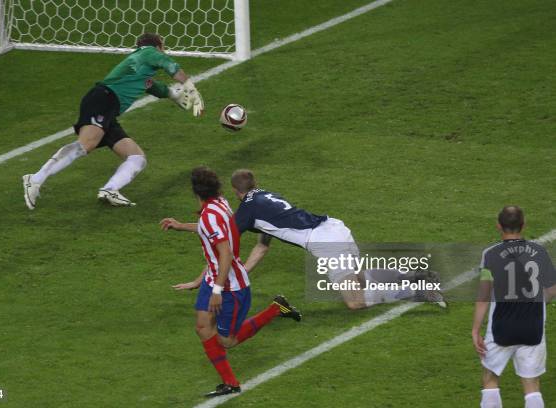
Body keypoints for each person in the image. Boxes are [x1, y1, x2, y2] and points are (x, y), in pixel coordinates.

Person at [174, 169, 445, 310]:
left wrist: (200, 279)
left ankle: (416, 289)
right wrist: (242, 273)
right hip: (335, 227)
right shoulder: (267, 196)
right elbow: (261, 248)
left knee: (354, 302)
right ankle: (414, 274)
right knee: (361, 278)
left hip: (327, 244)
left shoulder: (247, 212)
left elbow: (217, 237)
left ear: (235, 192)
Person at [160, 166, 301, 397]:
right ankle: (230, 383)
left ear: (195, 192)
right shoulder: (219, 204)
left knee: (227, 341)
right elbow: (210, 230)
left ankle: (276, 308)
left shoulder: (210, 214)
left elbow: (224, 252)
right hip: (213, 278)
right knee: (203, 327)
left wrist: (217, 290)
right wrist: (181, 225)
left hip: (229, 285)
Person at [22, 32, 203, 209]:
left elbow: (156, 87)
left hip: (109, 109)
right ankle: (35, 178)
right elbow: (171, 66)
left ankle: (110, 190)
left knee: (136, 157)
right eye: (163, 48)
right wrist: (191, 89)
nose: (164, 52)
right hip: (104, 99)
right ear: (157, 46)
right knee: (86, 144)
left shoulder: (139, 69)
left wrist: (173, 95)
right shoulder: (149, 52)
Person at [472, 206, 556, 408]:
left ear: (498, 226)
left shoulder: (490, 255)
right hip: (533, 329)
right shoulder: (540, 252)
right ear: (524, 225)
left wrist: (475, 330)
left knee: (490, 378)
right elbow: (552, 290)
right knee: (532, 385)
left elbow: (483, 296)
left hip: (501, 328)